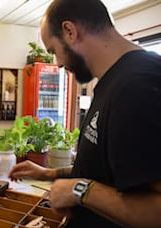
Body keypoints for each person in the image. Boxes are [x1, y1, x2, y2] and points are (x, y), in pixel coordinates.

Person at [9, 0, 161, 227]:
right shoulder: (114, 81)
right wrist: (47, 174)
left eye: (53, 50)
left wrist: (79, 190)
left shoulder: (138, 86)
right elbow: (106, 171)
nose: (58, 63)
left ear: (70, 31)